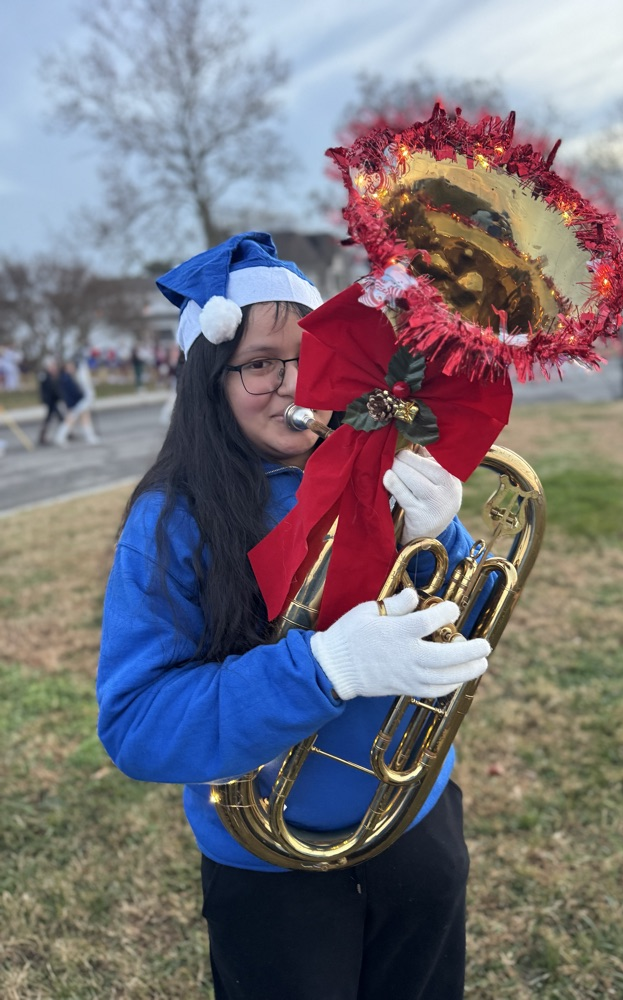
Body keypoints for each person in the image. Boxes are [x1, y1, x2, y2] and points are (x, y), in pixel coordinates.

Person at [96, 232, 491, 1000]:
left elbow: (463, 629)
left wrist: (442, 532)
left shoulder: (373, 459)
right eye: (257, 365)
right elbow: (137, 726)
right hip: (269, 863)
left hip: (416, 818)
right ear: (210, 380)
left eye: (309, 356)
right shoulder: (169, 523)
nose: (292, 385)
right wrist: (325, 670)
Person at [54, 356, 100, 446]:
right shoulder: (65, 378)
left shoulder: (68, 377)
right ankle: (60, 437)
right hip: (74, 403)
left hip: (77, 402)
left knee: (83, 417)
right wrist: (72, 403)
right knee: (71, 419)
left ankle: (89, 436)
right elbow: (70, 393)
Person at [37, 356, 65, 445]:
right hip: (49, 401)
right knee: (51, 418)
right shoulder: (44, 376)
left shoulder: (53, 375)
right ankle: (42, 436)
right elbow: (45, 389)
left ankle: (66, 432)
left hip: (53, 400)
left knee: (58, 418)